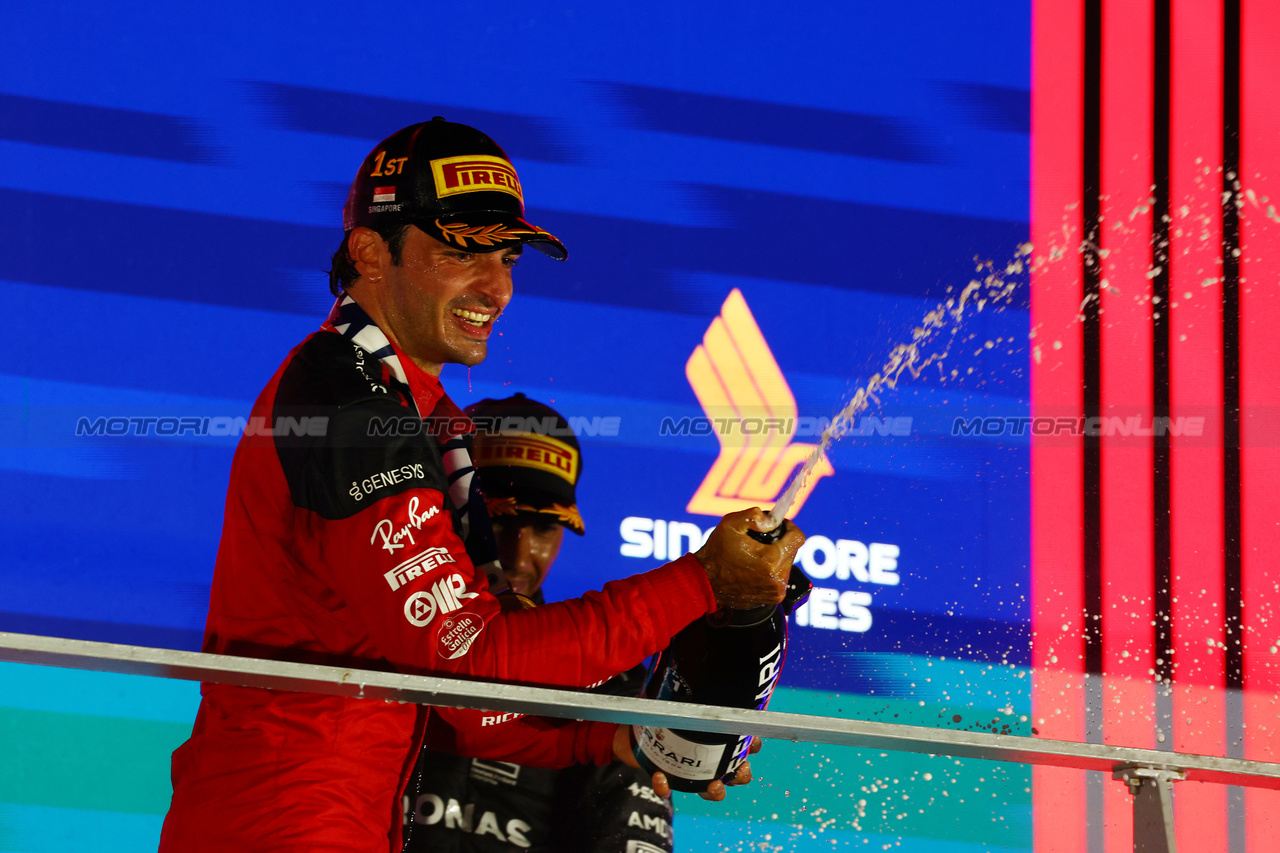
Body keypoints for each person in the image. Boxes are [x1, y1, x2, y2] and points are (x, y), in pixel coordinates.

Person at [157, 117, 804, 852]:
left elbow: (470, 707)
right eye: (462, 252)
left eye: (507, 257)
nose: (497, 286)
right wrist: (699, 583)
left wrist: (615, 743)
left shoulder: (427, 418)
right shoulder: (341, 395)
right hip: (277, 824)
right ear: (371, 252)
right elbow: (470, 657)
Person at [404, 393, 676, 853]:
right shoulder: (380, 627)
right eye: (498, 521)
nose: (519, 556)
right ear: (446, 511)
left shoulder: (608, 677)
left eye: (546, 528)